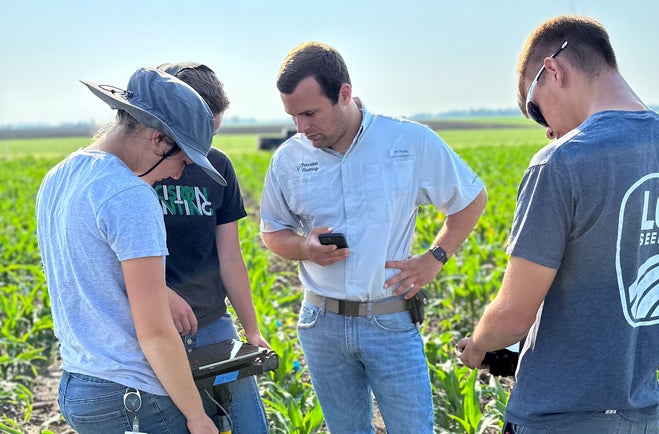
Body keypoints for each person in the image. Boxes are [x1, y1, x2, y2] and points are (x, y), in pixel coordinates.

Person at [456, 15, 659, 434]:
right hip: (641, 415)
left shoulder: (561, 162)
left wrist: (478, 347)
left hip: (557, 417)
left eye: (536, 111)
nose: (548, 132)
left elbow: (512, 317)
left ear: (554, 70)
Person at [259, 41, 487, 433]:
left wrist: (435, 257)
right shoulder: (288, 158)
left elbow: (471, 198)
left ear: (344, 94)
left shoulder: (408, 142)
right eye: (293, 115)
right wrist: (305, 248)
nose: (302, 127)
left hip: (389, 321)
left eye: (310, 113)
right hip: (321, 324)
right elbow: (272, 232)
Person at [36, 67, 223, 433]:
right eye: (182, 161)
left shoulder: (59, 177)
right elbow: (154, 332)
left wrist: (158, 291)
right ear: (157, 139)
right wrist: (197, 417)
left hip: (78, 384)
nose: (177, 175)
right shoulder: (131, 196)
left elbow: (83, 272)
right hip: (131, 395)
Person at [153, 62, 270, 433]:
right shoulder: (138, 169)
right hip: (153, 329)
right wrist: (160, 295)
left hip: (211, 323)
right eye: (201, 132)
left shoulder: (218, 166)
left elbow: (230, 257)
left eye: (213, 133)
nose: (205, 146)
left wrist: (251, 329)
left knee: (251, 422)